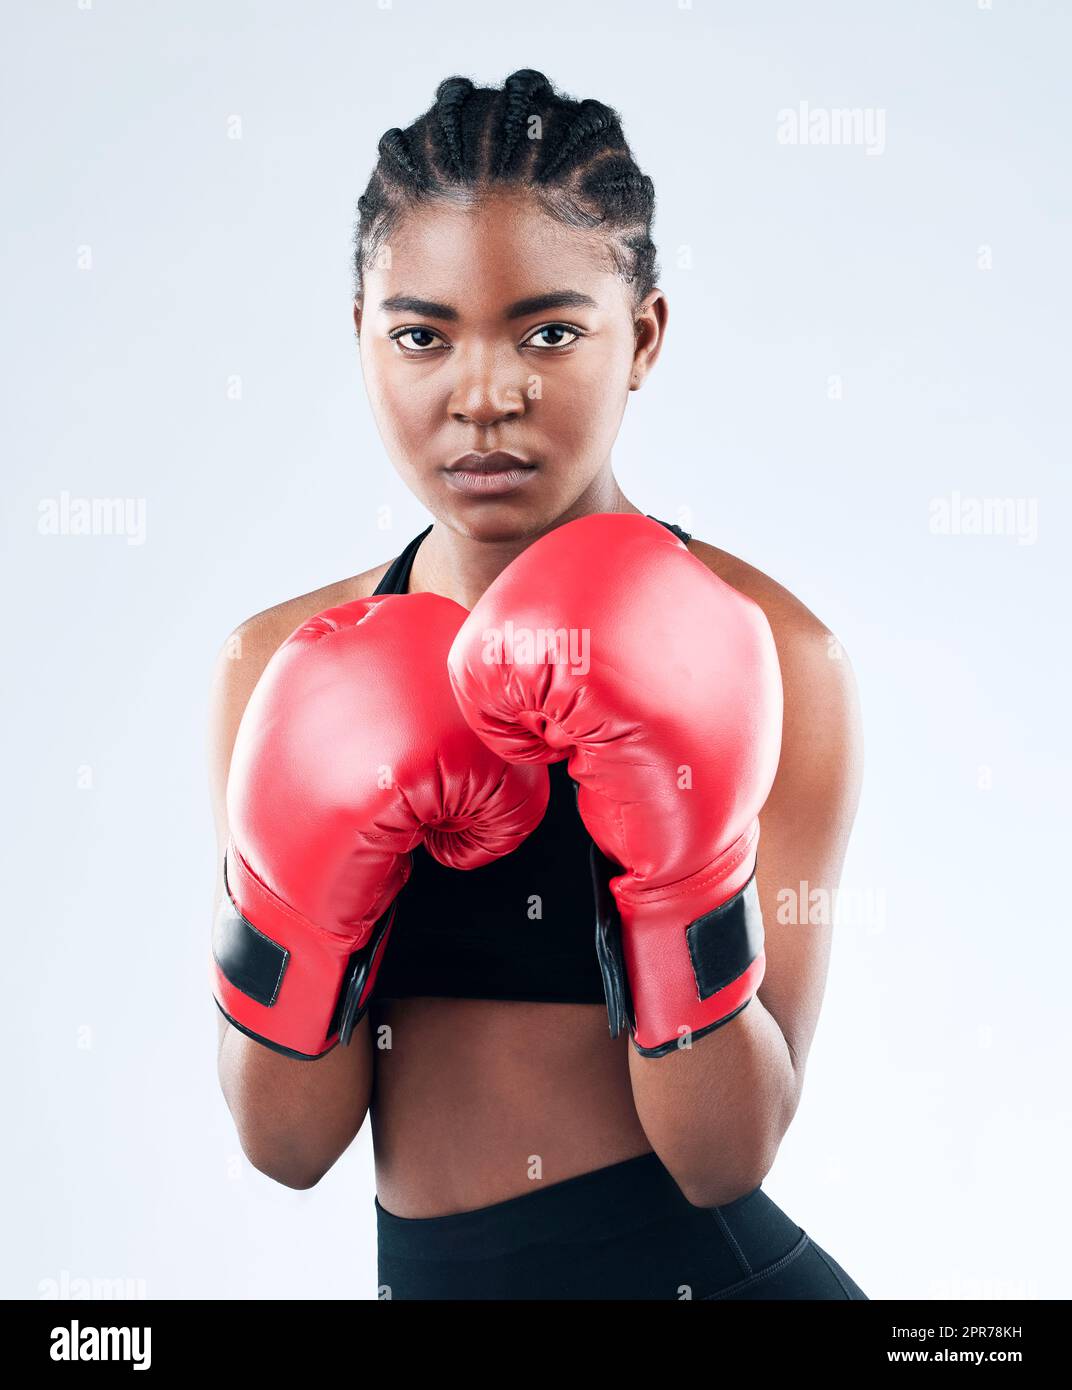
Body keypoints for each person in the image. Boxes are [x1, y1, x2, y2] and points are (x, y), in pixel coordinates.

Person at [207, 69, 868, 1300]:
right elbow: (286, 1145)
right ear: (358, 332)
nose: (483, 394)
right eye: (422, 333)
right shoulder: (279, 661)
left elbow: (726, 1153)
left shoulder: (769, 650)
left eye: (549, 331)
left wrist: (676, 882)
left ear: (645, 338)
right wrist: (304, 910)